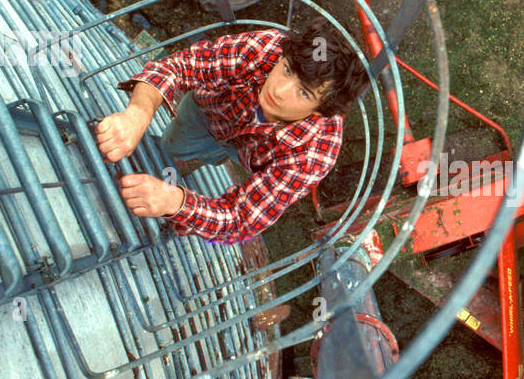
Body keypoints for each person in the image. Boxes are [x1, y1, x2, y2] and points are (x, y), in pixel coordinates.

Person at [95, 20, 369, 244]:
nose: (278, 91)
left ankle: (194, 164)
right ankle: (179, 159)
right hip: (207, 113)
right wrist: (137, 114)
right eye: (286, 70)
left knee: (209, 158)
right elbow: (177, 67)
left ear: (321, 110)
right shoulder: (263, 49)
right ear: (283, 56)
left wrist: (174, 202)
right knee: (172, 145)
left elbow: (242, 220)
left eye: (303, 92)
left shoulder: (314, 153)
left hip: (248, 154)